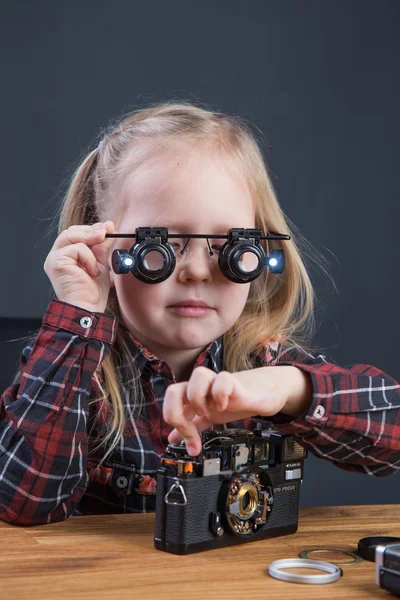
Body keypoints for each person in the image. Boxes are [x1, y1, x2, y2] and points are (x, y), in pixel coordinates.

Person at [0, 102, 399, 526]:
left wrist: (289, 388)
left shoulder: (259, 358)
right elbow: (23, 503)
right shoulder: (79, 370)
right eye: (162, 246)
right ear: (103, 245)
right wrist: (77, 317)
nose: (195, 270)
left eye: (232, 248)